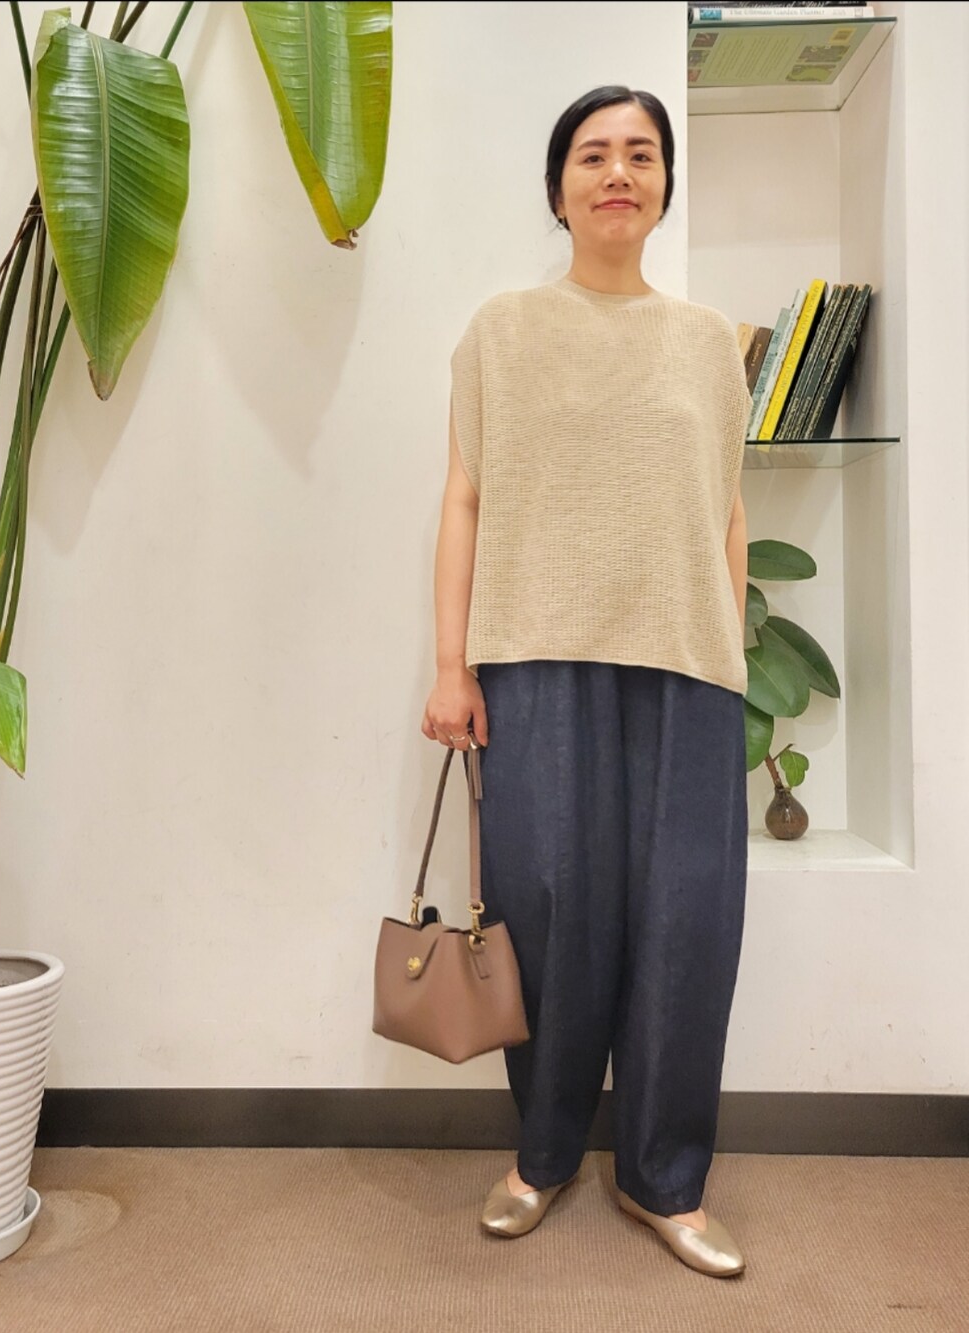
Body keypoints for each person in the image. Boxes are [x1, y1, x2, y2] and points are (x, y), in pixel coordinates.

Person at [421, 86, 753, 1279]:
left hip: (687, 669)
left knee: (684, 927)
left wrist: (730, 650)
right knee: (550, 918)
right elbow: (464, 498)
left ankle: (667, 1179)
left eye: (641, 155)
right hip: (536, 661)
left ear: (663, 187)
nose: (618, 173)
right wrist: (451, 664)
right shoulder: (502, 331)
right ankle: (543, 1154)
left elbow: (726, 510)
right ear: (558, 189)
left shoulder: (709, 342)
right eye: (594, 155)